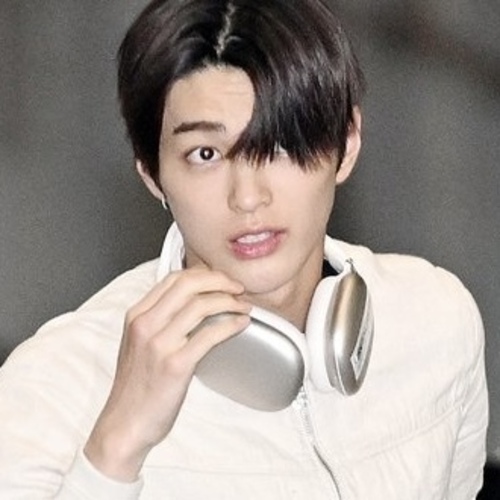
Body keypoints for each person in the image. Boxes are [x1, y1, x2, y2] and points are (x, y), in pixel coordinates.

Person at [0, 0, 488, 498]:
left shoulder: (437, 319)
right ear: (152, 174)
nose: (248, 197)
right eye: (205, 154)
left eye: (280, 144)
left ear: (347, 143)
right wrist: (116, 447)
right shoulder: (52, 386)